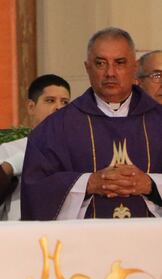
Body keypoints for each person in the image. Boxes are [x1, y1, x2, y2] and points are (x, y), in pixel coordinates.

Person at [22, 27, 162, 220]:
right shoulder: (56, 128)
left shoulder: (158, 120)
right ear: (87, 68)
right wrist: (88, 183)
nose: (110, 73)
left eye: (119, 63)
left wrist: (151, 184)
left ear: (135, 68)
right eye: (100, 63)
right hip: (83, 245)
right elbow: (35, 190)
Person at [0, 74, 70, 221]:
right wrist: (9, 167)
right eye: (50, 100)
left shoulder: (76, 152)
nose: (59, 108)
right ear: (31, 107)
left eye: (65, 102)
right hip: (19, 236)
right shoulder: (9, 151)